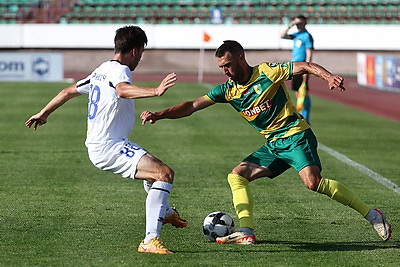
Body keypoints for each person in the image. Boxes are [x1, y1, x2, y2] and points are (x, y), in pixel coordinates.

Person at [140, 40, 392, 244]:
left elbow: (303, 65)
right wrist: (159, 114)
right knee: (236, 175)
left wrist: (327, 77)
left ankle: (372, 215)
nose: (225, 71)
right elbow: (192, 105)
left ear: (241, 58)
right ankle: (246, 231)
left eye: (227, 65)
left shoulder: (267, 72)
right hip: (273, 144)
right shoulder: (228, 90)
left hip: (295, 135)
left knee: (312, 183)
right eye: (221, 67)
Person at [25, 25, 187, 254]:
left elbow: (67, 91)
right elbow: (122, 90)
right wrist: (155, 91)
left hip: (103, 145)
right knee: (164, 174)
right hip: (109, 146)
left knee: (156, 172)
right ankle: (150, 240)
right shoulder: (120, 71)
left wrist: (44, 113)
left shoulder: (100, 70)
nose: (139, 59)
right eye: (140, 53)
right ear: (134, 51)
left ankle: (166, 212)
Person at [280, 15, 314, 123]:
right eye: (297, 23)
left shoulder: (307, 36)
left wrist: (307, 69)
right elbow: (282, 35)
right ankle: (303, 114)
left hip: (302, 66)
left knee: (304, 91)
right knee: (297, 91)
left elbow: (309, 53)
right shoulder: (296, 35)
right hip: (294, 66)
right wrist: (291, 24)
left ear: (305, 23)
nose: (298, 25)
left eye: (300, 22)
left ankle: (306, 116)